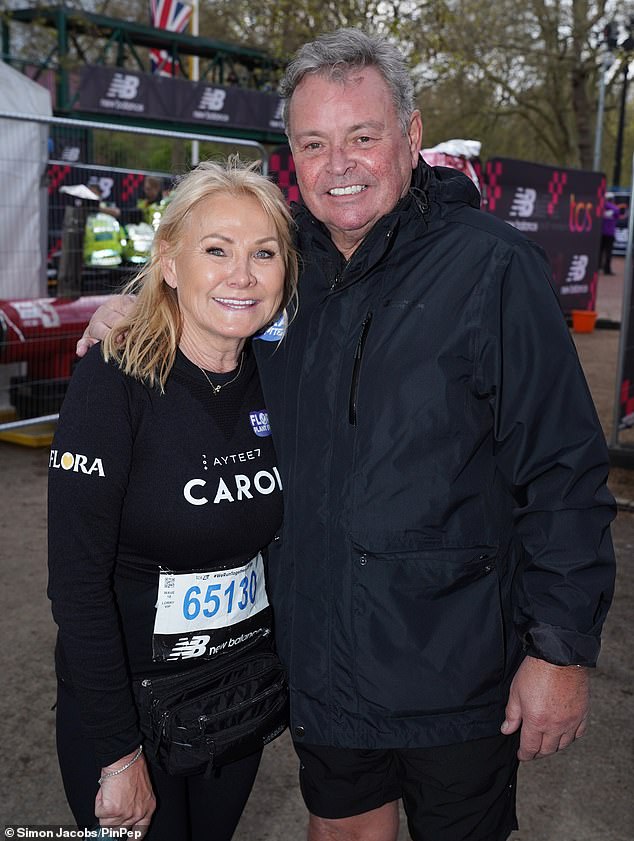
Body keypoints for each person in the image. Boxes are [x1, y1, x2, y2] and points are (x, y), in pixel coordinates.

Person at [77, 29, 616, 841]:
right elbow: (204, 286)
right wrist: (132, 307)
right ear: (291, 154)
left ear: (412, 136)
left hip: (459, 671)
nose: (341, 165)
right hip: (325, 666)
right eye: (315, 144)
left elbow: (566, 474)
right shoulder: (283, 264)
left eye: (363, 137)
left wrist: (562, 651)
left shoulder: (493, 269)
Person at [49, 160, 298, 840]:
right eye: (216, 249)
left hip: (235, 705)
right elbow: (76, 586)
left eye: (263, 253)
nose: (241, 274)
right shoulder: (116, 377)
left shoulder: (282, 376)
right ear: (168, 262)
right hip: (132, 713)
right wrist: (116, 750)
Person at [599, 192, 621, 275]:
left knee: (601, 252)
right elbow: (616, 211)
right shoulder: (614, 208)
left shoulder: (603, 207)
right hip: (608, 234)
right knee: (607, 252)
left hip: (603, 234)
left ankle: (600, 268)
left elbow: (616, 212)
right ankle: (606, 269)